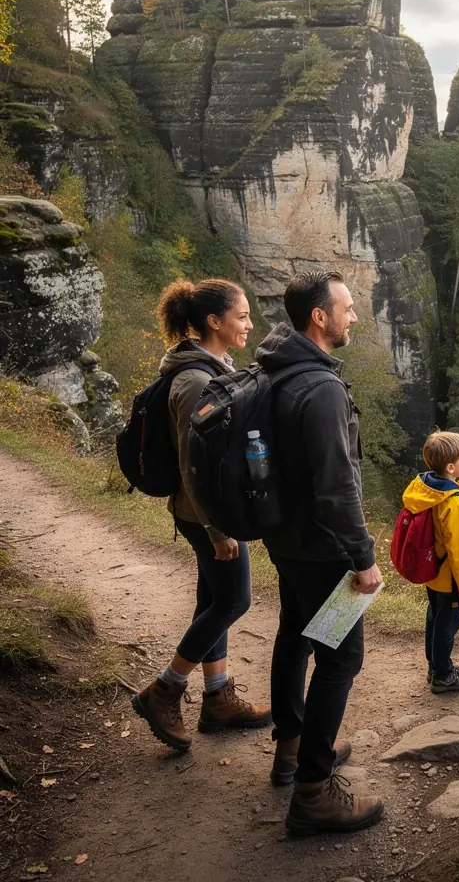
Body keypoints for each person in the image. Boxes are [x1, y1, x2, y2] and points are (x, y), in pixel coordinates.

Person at [255, 270, 384, 836]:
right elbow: (337, 487)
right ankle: (312, 792)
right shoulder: (322, 388)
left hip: (287, 540)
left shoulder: (274, 368)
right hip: (324, 549)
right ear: (319, 316)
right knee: (340, 660)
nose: (354, 316)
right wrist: (363, 557)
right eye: (347, 308)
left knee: (296, 635)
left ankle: (293, 746)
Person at [132, 279, 271, 752]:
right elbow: (193, 464)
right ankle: (164, 690)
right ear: (214, 321)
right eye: (242, 317)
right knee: (234, 601)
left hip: (209, 510)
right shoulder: (195, 382)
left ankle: (217, 698)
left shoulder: (212, 367)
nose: (249, 325)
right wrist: (216, 530)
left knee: (213, 600)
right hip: (206, 514)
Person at [401, 431, 459, 694]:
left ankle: (435, 665)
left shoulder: (426, 488)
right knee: (448, 623)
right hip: (449, 576)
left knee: (435, 616)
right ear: (451, 467)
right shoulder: (452, 501)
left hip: (432, 569)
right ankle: (444, 676)